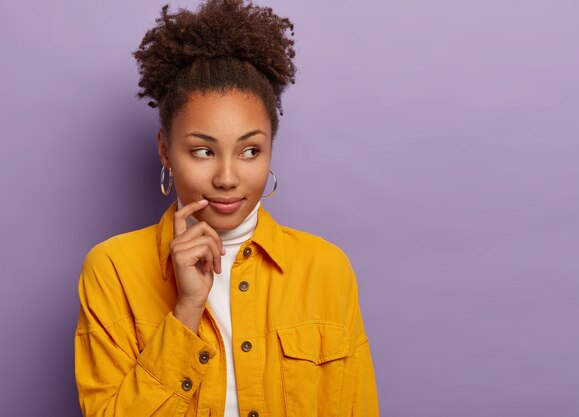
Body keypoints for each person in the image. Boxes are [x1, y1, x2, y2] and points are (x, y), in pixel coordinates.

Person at [74, 1, 379, 416]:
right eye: (203, 151)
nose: (227, 177)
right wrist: (185, 311)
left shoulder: (326, 270)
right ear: (165, 150)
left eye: (250, 150)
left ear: (271, 148)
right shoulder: (113, 271)